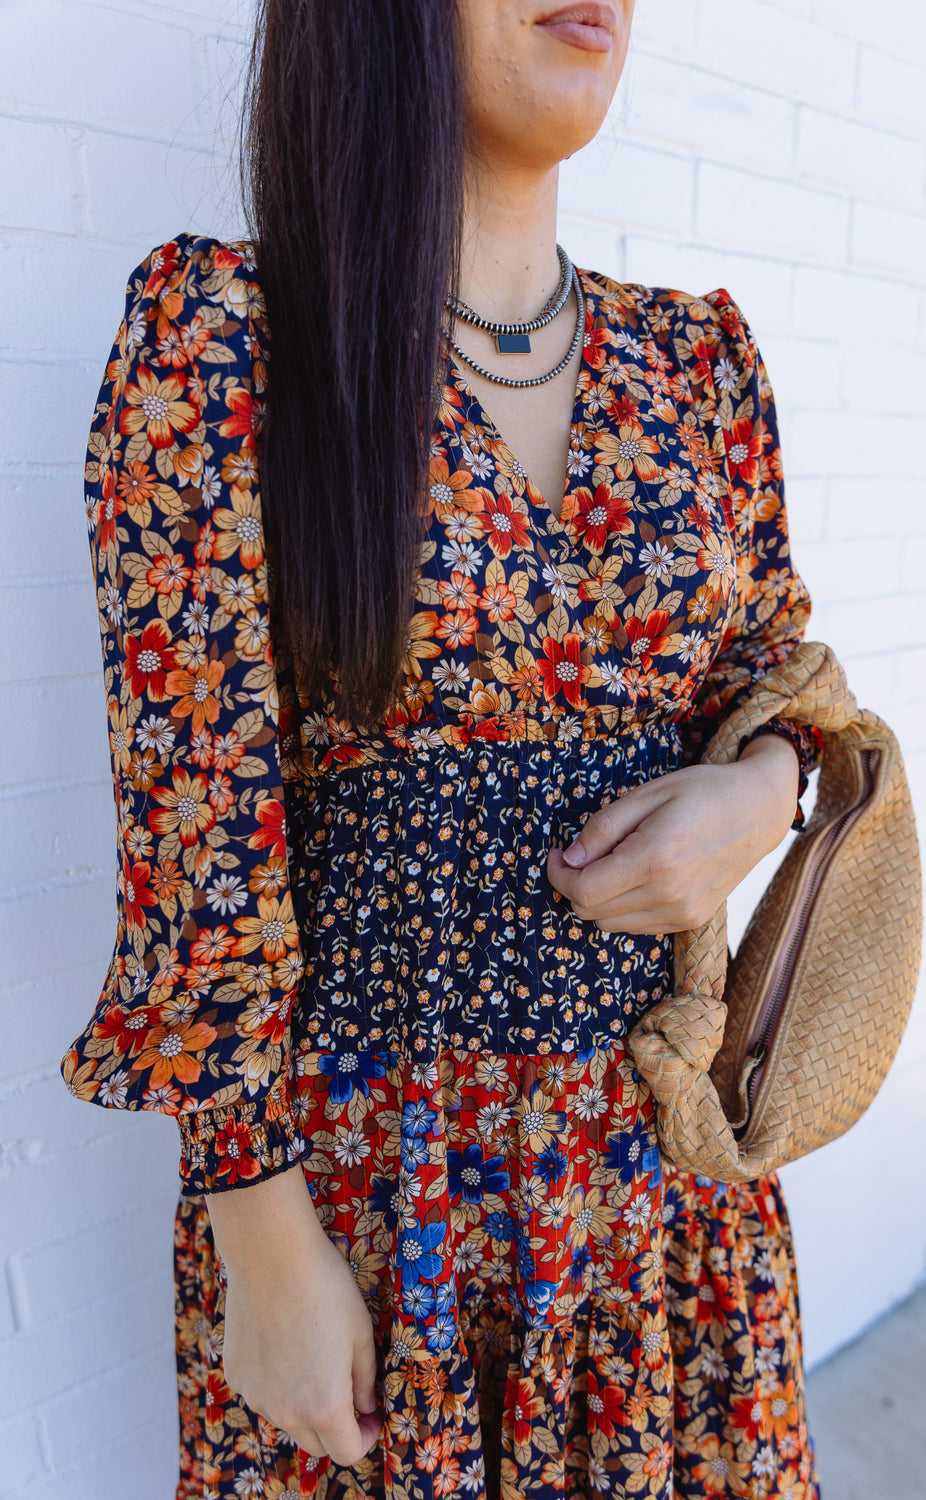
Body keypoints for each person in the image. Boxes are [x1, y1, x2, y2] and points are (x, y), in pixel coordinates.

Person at [62, 2, 824, 1496]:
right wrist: (255, 1226)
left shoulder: (697, 364)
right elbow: (193, 831)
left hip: (668, 1196)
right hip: (368, 1211)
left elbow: (784, 679)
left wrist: (767, 788)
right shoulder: (228, 338)